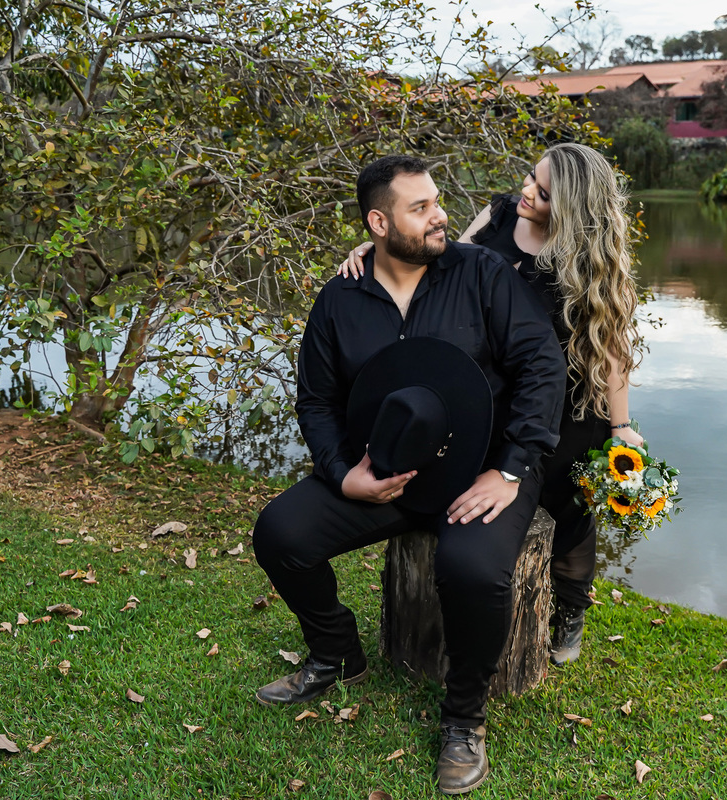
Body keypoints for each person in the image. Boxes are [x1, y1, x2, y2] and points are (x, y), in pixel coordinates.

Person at [253, 154, 567, 796]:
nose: (439, 214)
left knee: (473, 570)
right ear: (378, 222)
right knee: (280, 532)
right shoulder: (341, 297)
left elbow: (543, 367)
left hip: (485, 471)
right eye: (419, 207)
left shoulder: (482, 273)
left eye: (437, 201)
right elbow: (314, 400)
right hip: (384, 475)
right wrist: (344, 476)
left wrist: (510, 471)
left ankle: (463, 716)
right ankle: (337, 653)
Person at [340, 143, 642, 666]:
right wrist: (381, 251)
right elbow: (440, 267)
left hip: (566, 404)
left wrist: (621, 427)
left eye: (542, 192)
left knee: (568, 512)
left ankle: (569, 608)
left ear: (571, 208)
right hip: (489, 392)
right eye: (530, 177)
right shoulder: (499, 215)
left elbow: (611, 349)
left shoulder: (591, 261)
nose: (525, 191)